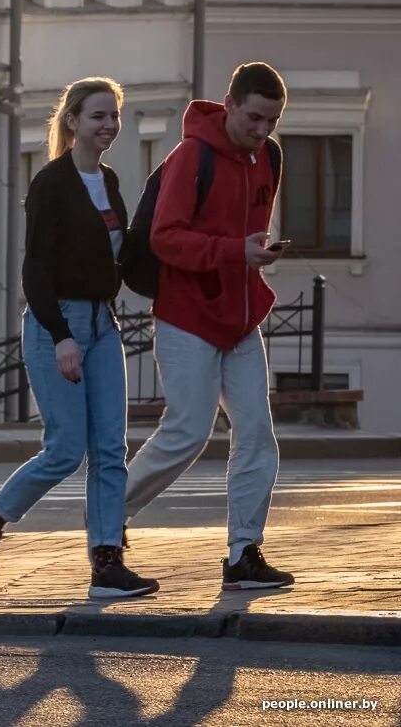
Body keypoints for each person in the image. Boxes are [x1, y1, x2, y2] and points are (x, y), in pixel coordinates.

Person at [0, 78, 159, 600]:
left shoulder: (110, 181)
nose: (109, 125)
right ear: (72, 121)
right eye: (98, 116)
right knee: (67, 449)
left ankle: (107, 562)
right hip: (60, 325)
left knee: (111, 449)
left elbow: (126, 257)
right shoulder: (51, 184)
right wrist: (60, 336)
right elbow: (35, 271)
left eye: (114, 116)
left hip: (103, 325)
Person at [123, 62, 294, 590]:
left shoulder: (268, 157)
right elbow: (164, 238)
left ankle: (244, 554)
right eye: (255, 118)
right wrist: (231, 252)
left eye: (272, 121)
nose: (263, 130)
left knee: (258, 436)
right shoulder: (190, 156)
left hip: (242, 320)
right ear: (231, 103)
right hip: (187, 317)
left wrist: (256, 251)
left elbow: (249, 228)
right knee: (187, 431)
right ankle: (107, 516)